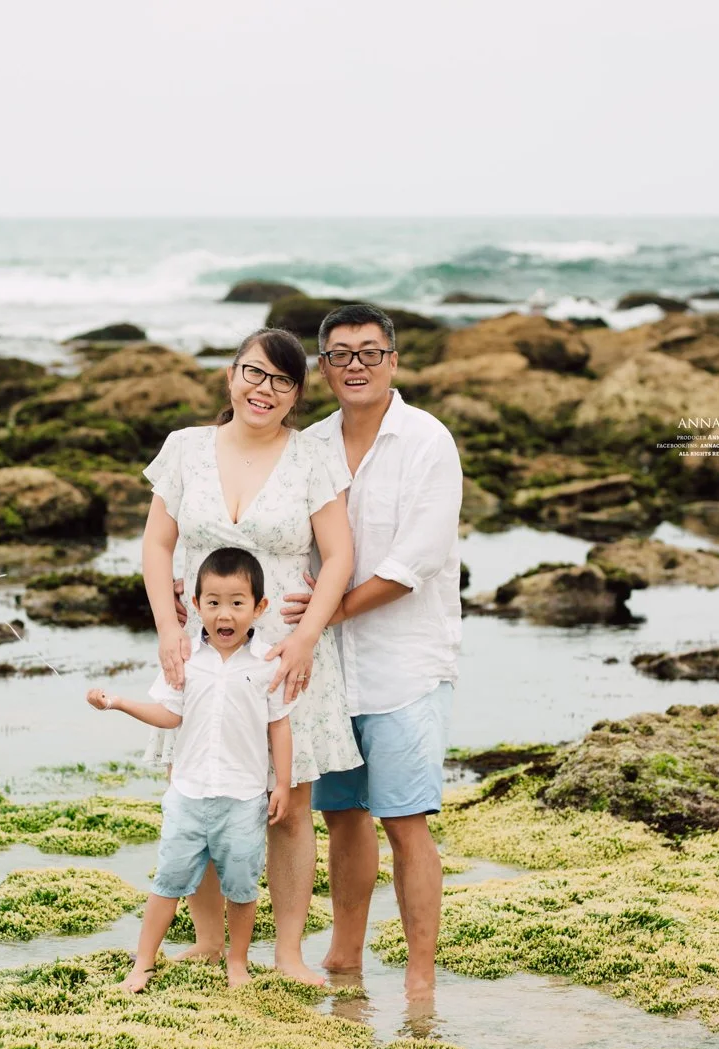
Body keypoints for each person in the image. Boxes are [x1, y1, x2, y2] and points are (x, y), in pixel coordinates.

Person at [139, 326, 360, 986]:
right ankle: (209, 941)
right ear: (230, 376)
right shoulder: (184, 450)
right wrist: (167, 631)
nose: (265, 390)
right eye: (254, 374)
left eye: (282, 382)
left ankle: (287, 953)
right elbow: (156, 546)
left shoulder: (311, 456)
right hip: (200, 645)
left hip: (286, 653)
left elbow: (340, 554)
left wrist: (307, 636)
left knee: (289, 806)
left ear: (296, 395)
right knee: (203, 791)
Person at [285, 303, 463, 1003]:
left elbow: (413, 560)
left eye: (368, 352)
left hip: (406, 665)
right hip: (327, 670)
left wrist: (324, 614)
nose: (354, 365)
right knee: (343, 817)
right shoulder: (310, 446)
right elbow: (285, 544)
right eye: (339, 354)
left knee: (405, 821)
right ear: (321, 367)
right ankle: (344, 955)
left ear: (393, 359)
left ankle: (420, 980)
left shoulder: (427, 441)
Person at [87, 547, 294, 992]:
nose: (225, 613)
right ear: (196, 606)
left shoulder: (266, 664)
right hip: (188, 795)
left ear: (259, 607)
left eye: (238, 603)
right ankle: (143, 962)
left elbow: (279, 727)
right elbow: (169, 716)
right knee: (168, 879)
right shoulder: (186, 662)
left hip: (243, 799)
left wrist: (284, 785)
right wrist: (119, 703)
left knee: (241, 885)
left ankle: (236, 962)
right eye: (214, 602)